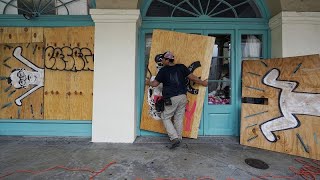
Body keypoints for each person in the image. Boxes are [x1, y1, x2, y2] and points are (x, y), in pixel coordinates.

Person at [145, 51, 208, 149]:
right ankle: (179, 138)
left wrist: (147, 81)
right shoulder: (181, 67)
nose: (162, 61)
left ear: (167, 60)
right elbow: (193, 78)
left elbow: (154, 84)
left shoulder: (163, 70)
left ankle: (174, 138)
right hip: (183, 97)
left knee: (165, 117)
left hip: (172, 98)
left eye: (163, 60)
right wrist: (203, 83)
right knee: (178, 118)